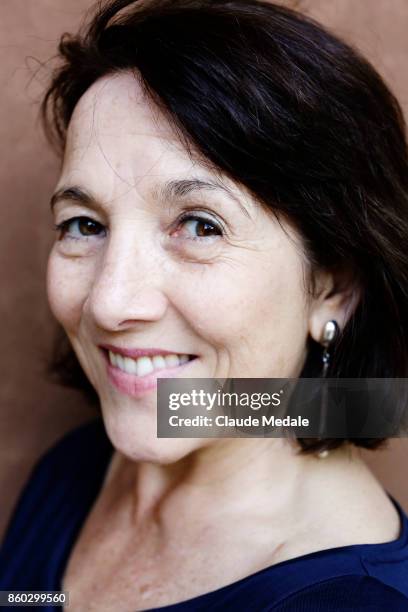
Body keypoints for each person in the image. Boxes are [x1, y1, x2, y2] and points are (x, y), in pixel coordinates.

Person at [1, 0, 408, 609]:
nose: (110, 304)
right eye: (83, 224)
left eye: (199, 225)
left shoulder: (355, 601)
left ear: (332, 288)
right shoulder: (77, 468)